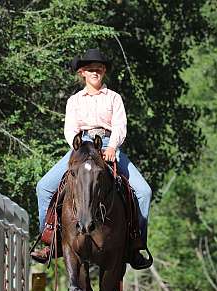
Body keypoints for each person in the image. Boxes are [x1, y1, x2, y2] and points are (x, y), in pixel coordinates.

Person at [32, 48, 153, 269]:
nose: (95, 72)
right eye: (90, 69)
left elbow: (120, 126)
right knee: (44, 187)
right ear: (82, 73)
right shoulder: (74, 101)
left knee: (144, 192)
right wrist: (78, 149)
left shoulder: (114, 98)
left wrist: (113, 146)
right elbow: (70, 129)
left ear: (104, 71)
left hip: (108, 145)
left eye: (98, 69)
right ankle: (50, 241)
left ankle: (136, 246)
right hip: (81, 148)